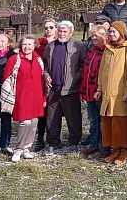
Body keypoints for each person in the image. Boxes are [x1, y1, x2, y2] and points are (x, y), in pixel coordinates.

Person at [42, 20, 86, 154]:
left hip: (70, 89)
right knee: (52, 118)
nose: (62, 34)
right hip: (53, 89)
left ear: (70, 33)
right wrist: (46, 75)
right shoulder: (51, 46)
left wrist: (76, 77)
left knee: (73, 117)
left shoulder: (78, 45)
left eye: (64, 31)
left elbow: (83, 64)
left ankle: (73, 142)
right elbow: (45, 64)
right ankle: (53, 142)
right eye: (60, 31)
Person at [94, 21, 127, 165]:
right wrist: (99, 89)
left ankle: (124, 151)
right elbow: (102, 70)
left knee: (121, 123)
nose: (111, 34)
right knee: (109, 122)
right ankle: (115, 149)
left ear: (121, 33)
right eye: (110, 31)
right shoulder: (108, 48)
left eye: (114, 32)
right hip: (107, 92)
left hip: (120, 93)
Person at [6, 35, 47, 162]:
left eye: (30, 44)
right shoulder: (14, 60)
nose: (27, 47)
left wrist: (44, 98)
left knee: (34, 123)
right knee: (25, 123)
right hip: (21, 96)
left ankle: (27, 148)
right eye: (24, 44)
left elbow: (42, 80)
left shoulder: (38, 59)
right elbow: (7, 79)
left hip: (36, 97)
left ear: (34, 46)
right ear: (20, 45)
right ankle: (18, 149)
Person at [80, 25, 108, 156]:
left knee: (103, 121)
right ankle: (93, 144)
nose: (94, 38)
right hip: (89, 91)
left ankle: (104, 145)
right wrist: (83, 90)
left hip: (101, 91)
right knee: (93, 120)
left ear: (104, 36)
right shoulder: (91, 51)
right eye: (92, 36)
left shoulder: (107, 51)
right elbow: (86, 71)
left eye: (97, 35)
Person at [34, 18, 57, 151]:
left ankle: (53, 137)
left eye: (51, 27)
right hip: (41, 79)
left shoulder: (60, 41)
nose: (48, 30)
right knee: (42, 110)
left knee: (54, 110)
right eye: (46, 28)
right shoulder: (39, 43)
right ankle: (40, 138)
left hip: (57, 79)